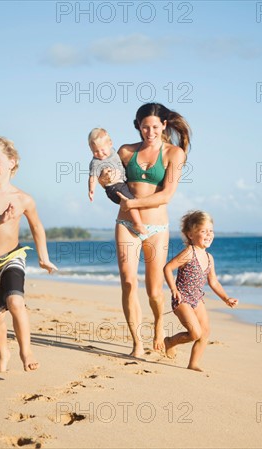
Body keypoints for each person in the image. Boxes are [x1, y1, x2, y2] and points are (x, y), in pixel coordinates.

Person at [99, 103, 191, 357]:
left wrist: (133, 203)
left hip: (157, 227)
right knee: (128, 284)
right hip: (126, 224)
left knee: (153, 290)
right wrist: (103, 179)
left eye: (154, 127)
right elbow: (111, 182)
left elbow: (166, 196)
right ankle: (137, 343)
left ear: (164, 125)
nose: (149, 132)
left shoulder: (174, 154)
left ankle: (159, 324)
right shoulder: (126, 152)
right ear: (137, 126)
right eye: (144, 127)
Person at [0, 133, 57, 372]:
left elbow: (37, 227)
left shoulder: (23, 199)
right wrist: (0, 218)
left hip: (12, 257)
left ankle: (26, 351)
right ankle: (2, 354)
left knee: (16, 301)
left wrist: (43, 256)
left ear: (12, 161)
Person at [163, 210, 238, 371]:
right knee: (195, 333)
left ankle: (193, 363)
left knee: (205, 332)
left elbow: (213, 281)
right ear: (190, 234)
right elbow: (168, 268)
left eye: (211, 231)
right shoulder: (189, 253)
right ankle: (170, 341)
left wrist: (226, 298)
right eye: (203, 231)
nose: (208, 234)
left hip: (197, 299)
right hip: (182, 299)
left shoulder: (209, 257)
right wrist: (173, 289)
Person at [87, 128, 147, 236]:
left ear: (110, 144)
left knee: (132, 201)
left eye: (102, 149)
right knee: (131, 202)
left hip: (121, 184)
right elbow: (93, 177)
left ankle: (138, 221)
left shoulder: (114, 152)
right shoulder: (96, 162)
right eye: (95, 151)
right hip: (114, 188)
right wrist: (91, 190)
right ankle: (137, 223)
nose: (100, 154)